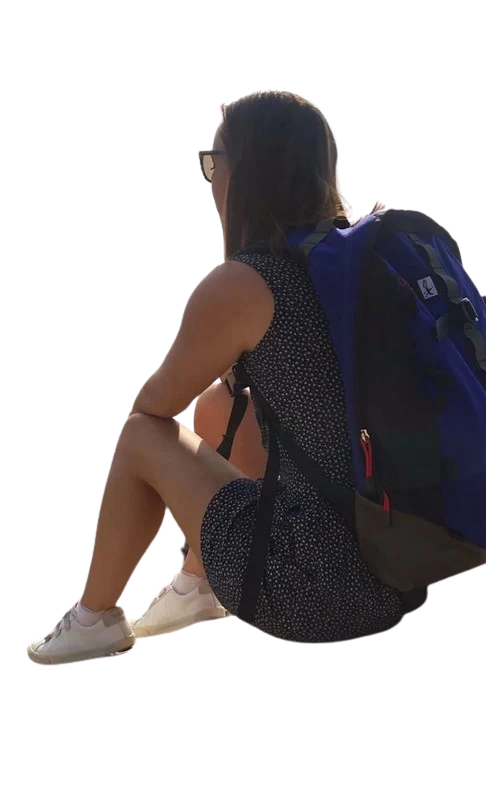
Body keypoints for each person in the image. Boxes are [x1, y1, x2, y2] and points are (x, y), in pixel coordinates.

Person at [26, 89, 404, 665]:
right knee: (220, 404)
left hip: (314, 593)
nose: (209, 179)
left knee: (142, 434)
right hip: (394, 575)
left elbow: (153, 405)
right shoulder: (353, 265)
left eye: (212, 161)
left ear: (245, 172)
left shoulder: (245, 284)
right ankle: (199, 586)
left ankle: (93, 620)